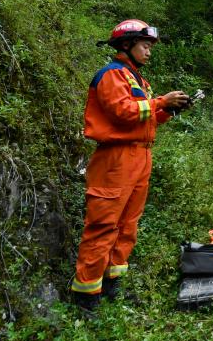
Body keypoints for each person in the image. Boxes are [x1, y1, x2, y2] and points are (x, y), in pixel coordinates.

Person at [70, 19, 190, 313]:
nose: (149, 52)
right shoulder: (111, 75)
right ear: (127, 45)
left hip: (140, 157)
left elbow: (146, 117)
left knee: (128, 225)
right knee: (103, 226)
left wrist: (169, 111)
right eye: (145, 46)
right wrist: (161, 101)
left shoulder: (138, 80)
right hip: (115, 159)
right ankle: (86, 297)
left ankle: (112, 285)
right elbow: (123, 112)